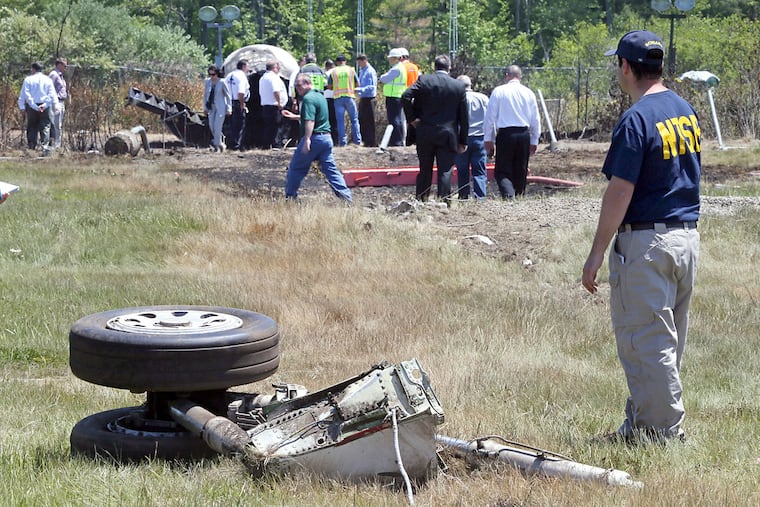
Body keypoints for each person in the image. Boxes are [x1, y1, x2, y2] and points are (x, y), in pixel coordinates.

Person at [582, 30, 701, 444]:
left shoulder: (637, 118)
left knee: (647, 343)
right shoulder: (685, 110)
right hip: (685, 240)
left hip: (648, 244)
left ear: (627, 67)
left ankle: (664, 436)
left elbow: (620, 189)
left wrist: (596, 252)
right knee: (663, 343)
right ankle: (641, 425)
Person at [401, 54, 468, 205]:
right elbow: (464, 116)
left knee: (425, 168)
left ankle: (421, 200)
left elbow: (405, 96)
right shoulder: (458, 86)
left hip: (425, 132)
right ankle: (444, 201)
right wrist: (463, 140)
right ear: (449, 67)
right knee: (445, 170)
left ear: (434, 67)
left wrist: (412, 119)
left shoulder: (424, 80)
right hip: (447, 134)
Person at [282, 74, 352, 202]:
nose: (297, 88)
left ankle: (290, 197)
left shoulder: (308, 99)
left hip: (314, 138)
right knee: (331, 170)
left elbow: (310, 120)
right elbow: (316, 117)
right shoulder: (320, 96)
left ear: (308, 83)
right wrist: (294, 116)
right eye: (296, 86)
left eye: (299, 85)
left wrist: (307, 139)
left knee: (296, 168)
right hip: (326, 139)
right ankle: (346, 198)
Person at [483, 65, 540, 198]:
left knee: (502, 170)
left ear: (507, 76)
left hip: (506, 134)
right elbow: (535, 118)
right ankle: (519, 195)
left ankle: (509, 196)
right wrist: (534, 139)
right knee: (521, 169)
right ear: (520, 77)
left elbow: (490, 118)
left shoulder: (499, 91)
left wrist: (488, 139)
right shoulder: (528, 92)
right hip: (523, 134)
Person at [454, 75, 489, 200]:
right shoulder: (483, 98)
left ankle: (463, 197)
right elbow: (490, 121)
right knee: (479, 171)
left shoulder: (457, 99)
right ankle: (480, 198)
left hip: (462, 138)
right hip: (480, 138)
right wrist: (491, 139)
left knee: (462, 170)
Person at [17, 62, 58, 152]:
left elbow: (25, 94)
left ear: (33, 69)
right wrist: (46, 105)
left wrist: (25, 106)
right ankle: (45, 146)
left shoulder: (28, 80)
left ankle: (32, 146)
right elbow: (52, 94)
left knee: (32, 125)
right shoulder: (48, 80)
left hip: (32, 106)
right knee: (45, 126)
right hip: (45, 106)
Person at [328, 54, 361, 147]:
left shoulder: (333, 71)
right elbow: (358, 84)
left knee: (340, 121)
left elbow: (329, 87)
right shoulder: (351, 70)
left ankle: (343, 143)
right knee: (354, 120)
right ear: (345, 61)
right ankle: (357, 141)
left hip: (338, 98)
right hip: (350, 97)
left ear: (337, 62)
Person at [379, 48, 408, 147]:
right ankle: (397, 141)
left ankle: (396, 141)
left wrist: (382, 76)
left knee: (394, 120)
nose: (389, 60)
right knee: (397, 119)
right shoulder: (400, 67)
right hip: (397, 95)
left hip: (393, 96)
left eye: (391, 58)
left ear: (396, 58)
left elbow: (384, 79)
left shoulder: (396, 69)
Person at [259, 60, 287, 149]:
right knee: (276, 126)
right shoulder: (273, 78)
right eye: (277, 67)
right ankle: (276, 144)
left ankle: (266, 145)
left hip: (265, 105)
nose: (278, 69)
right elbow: (276, 91)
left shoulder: (263, 78)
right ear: (274, 68)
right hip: (274, 105)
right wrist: (279, 102)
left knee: (268, 126)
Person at [203, 64, 232, 152]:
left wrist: (228, 108)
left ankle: (217, 147)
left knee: (217, 127)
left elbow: (228, 96)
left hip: (220, 108)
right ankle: (220, 143)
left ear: (217, 74)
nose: (212, 77)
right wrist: (205, 107)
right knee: (212, 126)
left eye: (213, 74)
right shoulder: (208, 82)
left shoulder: (222, 82)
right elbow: (205, 96)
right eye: (210, 74)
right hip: (211, 107)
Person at [225, 59, 250, 150]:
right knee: (239, 125)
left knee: (230, 124)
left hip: (228, 101)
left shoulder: (229, 75)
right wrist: (242, 104)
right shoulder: (242, 76)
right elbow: (241, 93)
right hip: (237, 102)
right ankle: (236, 145)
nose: (248, 69)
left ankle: (229, 144)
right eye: (248, 67)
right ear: (243, 66)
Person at [356, 53, 377, 147]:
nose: (359, 65)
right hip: (363, 98)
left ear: (364, 61)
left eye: (360, 62)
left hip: (369, 99)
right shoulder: (362, 71)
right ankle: (365, 140)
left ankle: (370, 142)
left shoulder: (370, 71)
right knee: (362, 120)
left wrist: (359, 90)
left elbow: (372, 87)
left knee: (369, 121)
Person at [400, 48, 420, 146]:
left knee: (403, 119)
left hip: (405, 95)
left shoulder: (401, 67)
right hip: (415, 95)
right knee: (413, 120)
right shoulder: (415, 67)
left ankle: (403, 141)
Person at [48, 58, 68, 149]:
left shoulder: (60, 76)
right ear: (59, 65)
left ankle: (57, 144)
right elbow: (49, 89)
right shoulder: (54, 75)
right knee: (56, 124)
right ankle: (54, 145)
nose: (66, 67)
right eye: (64, 65)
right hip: (56, 103)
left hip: (61, 102)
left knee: (58, 124)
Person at [323, 59, 340, 145]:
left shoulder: (326, 73)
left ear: (326, 67)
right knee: (336, 121)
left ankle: (331, 140)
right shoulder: (337, 72)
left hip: (327, 99)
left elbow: (325, 86)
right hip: (337, 97)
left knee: (329, 121)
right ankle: (337, 141)